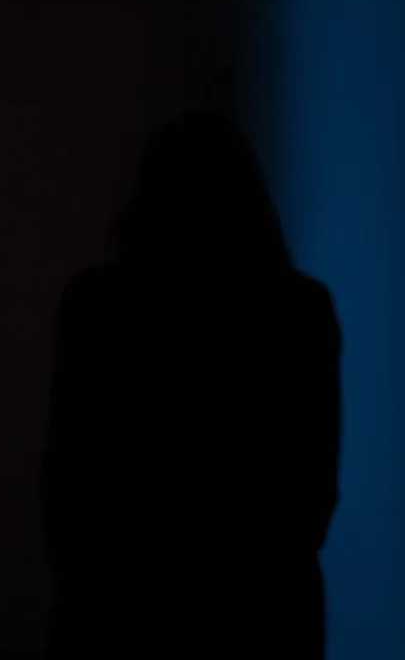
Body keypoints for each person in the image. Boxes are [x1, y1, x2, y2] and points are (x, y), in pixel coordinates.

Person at [39, 110, 342, 658]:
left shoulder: (93, 307)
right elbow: (312, 497)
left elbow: (64, 482)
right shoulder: (302, 313)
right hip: (264, 617)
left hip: (114, 612)